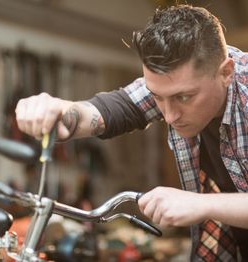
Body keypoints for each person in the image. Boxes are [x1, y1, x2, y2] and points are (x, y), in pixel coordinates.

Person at [15, 4, 248, 262]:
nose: (169, 116)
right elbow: (117, 108)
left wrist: (200, 204)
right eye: (158, 97)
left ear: (225, 73)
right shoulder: (173, 84)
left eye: (184, 97)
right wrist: (58, 112)